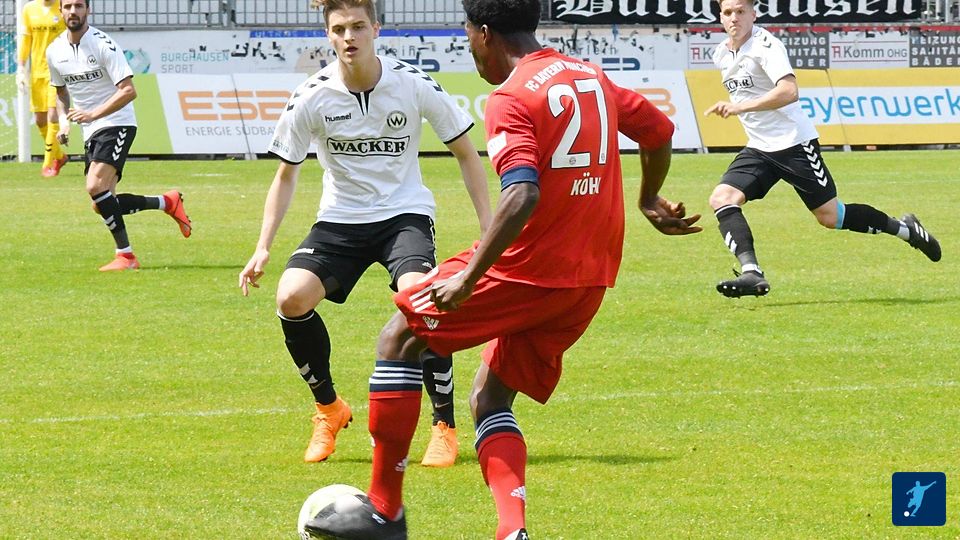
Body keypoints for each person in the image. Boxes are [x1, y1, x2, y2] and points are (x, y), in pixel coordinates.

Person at [302, 0, 701, 538]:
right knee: (489, 397)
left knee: (399, 338)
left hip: (528, 269)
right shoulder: (589, 74)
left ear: (485, 33)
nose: (469, 45)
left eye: (469, 34)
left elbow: (521, 194)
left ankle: (384, 510)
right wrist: (648, 197)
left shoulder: (511, 97)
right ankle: (513, 531)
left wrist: (467, 279)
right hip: (589, 277)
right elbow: (658, 130)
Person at [237, 0, 492, 467]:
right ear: (328, 35)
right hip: (340, 220)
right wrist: (262, 247)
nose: (349, 36)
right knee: (290, 298)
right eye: (339, 29)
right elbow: (286, 175)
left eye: (357, 26)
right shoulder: (311, 96)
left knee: (421, 299)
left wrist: (488, 228)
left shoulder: (413, 83)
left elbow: (466, 153)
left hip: (404, 215)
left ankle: (444, 425)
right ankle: (329, 408)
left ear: (376, 28)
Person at [704, 0, 941, 298]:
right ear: (720, 16)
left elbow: (789, 91)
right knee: (722, 198)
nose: (734, 18)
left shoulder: (766, 46)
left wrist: (741, 107)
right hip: (759, 148)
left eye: (741, 11)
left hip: (794, 144)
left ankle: (905, 230)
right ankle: (752, 273)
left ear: (754, 13)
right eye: (728, 12)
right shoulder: (721, 53)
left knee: (831, 217)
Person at [48, 0, 192, 271]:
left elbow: (128, 91)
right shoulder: (54, 50)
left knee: (94, 186)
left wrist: (93, 114)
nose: (73, 11)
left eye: (79, 5)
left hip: (117, 122)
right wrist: (65, 124)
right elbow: (61, 93)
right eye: (67, 6)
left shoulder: (103, 44)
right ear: (61, 11)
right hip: (90, 129)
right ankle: (167, 202)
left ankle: (126, 256)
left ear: (88, 10)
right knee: (102, 203)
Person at [17, 0, 68, 177]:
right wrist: (21, 67)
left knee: (53, 114)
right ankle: (59, 156)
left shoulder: (63, 7)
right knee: (40, 120)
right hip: (37, 72)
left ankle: (48, 164)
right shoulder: (29, 9)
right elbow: (26, 39)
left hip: (57, 70)